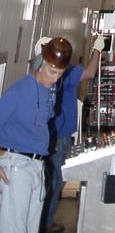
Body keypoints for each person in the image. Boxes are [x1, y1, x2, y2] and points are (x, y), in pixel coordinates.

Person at [0, 38, 71, 233]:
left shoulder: (50, 91)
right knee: (14, 228)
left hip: (38, 165)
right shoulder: (19, 91)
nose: (55, 79)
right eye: (52, 72)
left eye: (60, 74)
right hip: (17, 165)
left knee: (31, 228)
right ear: (41, 64)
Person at [37, 35, 104, 233]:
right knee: (55, 178)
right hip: (59, 135)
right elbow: (90, 72)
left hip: (52, 134)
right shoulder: (64, 72)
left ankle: (41, 219)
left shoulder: (37, 75)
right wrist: (97, 50)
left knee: (49, 177)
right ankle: (46, 222)